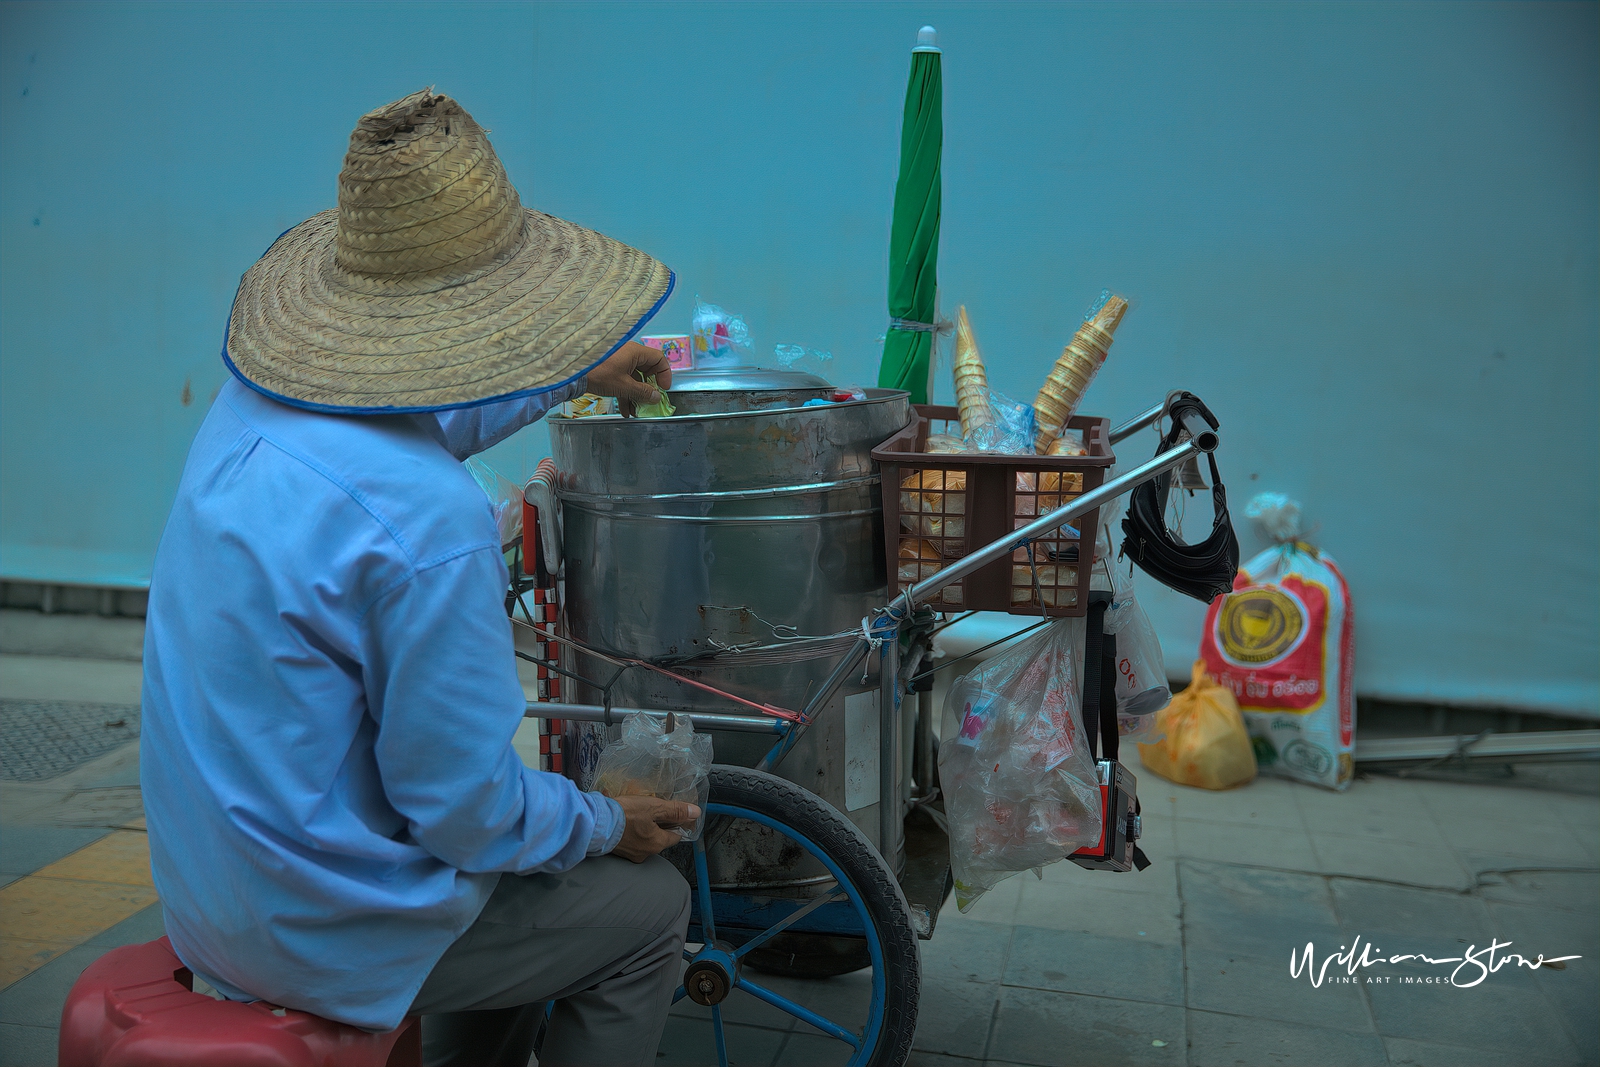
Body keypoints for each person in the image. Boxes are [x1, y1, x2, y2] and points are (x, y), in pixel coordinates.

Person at [140, 89, 696, 1067]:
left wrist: (569, 375)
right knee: (646, 909)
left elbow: (405, 423)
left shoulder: (246, 411)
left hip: (209, 888)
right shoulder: (431, 520)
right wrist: (604, 819)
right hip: (319, 928)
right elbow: (464, 809)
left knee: (528, 870)